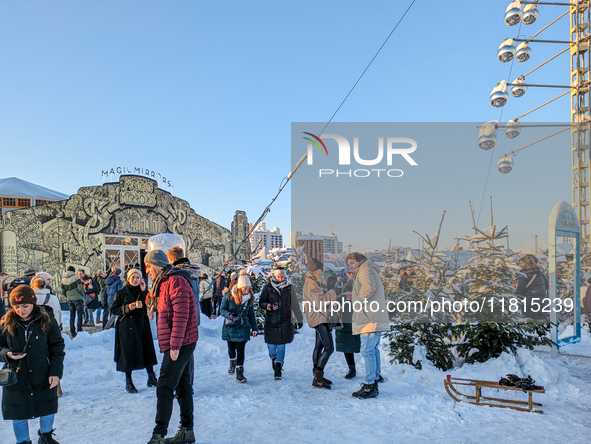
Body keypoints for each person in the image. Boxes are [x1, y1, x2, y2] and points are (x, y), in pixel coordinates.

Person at [144, 250, 198, 444]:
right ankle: (187, 430)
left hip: (181, 342)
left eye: (148, 266)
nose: (147, 270)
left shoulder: (176, 281)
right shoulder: (163, 282)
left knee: (165, 386)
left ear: (158, 265)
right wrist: (148, 297)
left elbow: (181, 315)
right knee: (183, 386)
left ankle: (158, 434)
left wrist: (175, 346)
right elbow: (154, 300)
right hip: (177, 342)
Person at [0, 285, 65, 444]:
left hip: (42, 374)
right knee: (19, 414)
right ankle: (23, 442)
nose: (21, 310)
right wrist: (6, 354)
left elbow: (57, 347)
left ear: (34, 303)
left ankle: (45, 437)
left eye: (25, 306)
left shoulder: (47, 320)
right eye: (17, 307)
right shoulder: (6, 323)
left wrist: (55, 373)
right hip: (17, 378)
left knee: (47, 409)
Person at [346, 252, 389, 399]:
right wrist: (354, 296)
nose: (350, 266)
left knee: (367, 350)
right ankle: (375, 377)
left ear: (360, 261)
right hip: (373, 315)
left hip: (369, 317)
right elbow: (369, 288)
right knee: (373, 349)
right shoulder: (366, 270)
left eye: (352, 263)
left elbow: (368, 288)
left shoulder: (365, 270)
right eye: (349, 264)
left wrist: (357, 303)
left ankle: (369, 385)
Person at [110, 268, 158, 394]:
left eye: (138, 278)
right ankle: (128, 381)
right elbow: (114, 310)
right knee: (128, 353)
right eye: (133, 277)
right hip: (127, 327)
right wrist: (127, 307)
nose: (136, 280)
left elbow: (150, 304)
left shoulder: (144, 291)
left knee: (147, 350)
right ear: (128, 278)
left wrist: (143, 291)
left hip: (142, 325)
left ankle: (151, 376)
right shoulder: (121, 293)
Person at [259, 268, 303, 380]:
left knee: (282, 346)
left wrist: (299, 318)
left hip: (285, 321)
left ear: (285, 277)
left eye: (282, 276)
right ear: (275, 276)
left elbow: (294, 304)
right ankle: (273, 358)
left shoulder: (289, 288)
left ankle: (278, 367)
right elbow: (261, 302)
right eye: (278, 276)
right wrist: (268, 306)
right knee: (271, 346)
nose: (280, 278)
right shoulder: (268, 287)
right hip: (271, 321)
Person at [303, 258, 340, 389]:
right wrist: (334, 292)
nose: (322, 271)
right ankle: (317, 378)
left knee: (319, 346)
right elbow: (321, 301)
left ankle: (317, 375)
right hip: (319, 317)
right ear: (315, 270)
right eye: (321, 269)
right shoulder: (312, 284)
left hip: (319, 316)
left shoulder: (313, 282)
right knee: (329, 348)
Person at [220, 270, 258, 383]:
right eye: (244, 289)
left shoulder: (249, 299)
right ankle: (232, 362)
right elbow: (222, 310)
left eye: (248, 288)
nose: (247, 291)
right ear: (240, 288)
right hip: (230, 326)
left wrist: (254, 328)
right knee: (232, 348)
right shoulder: (229, 296)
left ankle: (240, 372)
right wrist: (229, 315)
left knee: (241, 350)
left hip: (243, 326)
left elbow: (251, 314)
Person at [165, 246, 201, 327]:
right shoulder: (194, 271)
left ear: (173, 259)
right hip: (194, 315)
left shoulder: (178, 274)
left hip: (182, 319)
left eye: (169, 260)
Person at [335, 266, 360, 379]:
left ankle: (373, 370)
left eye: (353, 272)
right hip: (345, 316)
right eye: (349, 272)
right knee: (347, 344)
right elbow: (334, 298)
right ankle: (352, 369)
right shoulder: (339, 283)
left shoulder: (361, 282)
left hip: (358, 316)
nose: (352, 274)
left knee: (363, 344)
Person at [515, 254, 549, 320]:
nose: (520, 265)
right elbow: (547, 285)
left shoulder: (524, 274)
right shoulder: (540, 273)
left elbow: (520, 288)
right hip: (541, 301)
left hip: (528, 302)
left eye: (521, 263)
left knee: (528, 321)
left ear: (527, 263)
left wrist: (515, 297)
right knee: (538, 320)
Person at [61, 265, 85, 338]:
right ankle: (79, 330)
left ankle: (72, 331)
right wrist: (83, 295)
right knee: (79, 315)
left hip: (69, 299)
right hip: (78, 298)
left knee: (72, 315)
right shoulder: (76, 277)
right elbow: (80, 288)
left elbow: (63, 291)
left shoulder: (63, 279)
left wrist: (68, 296)